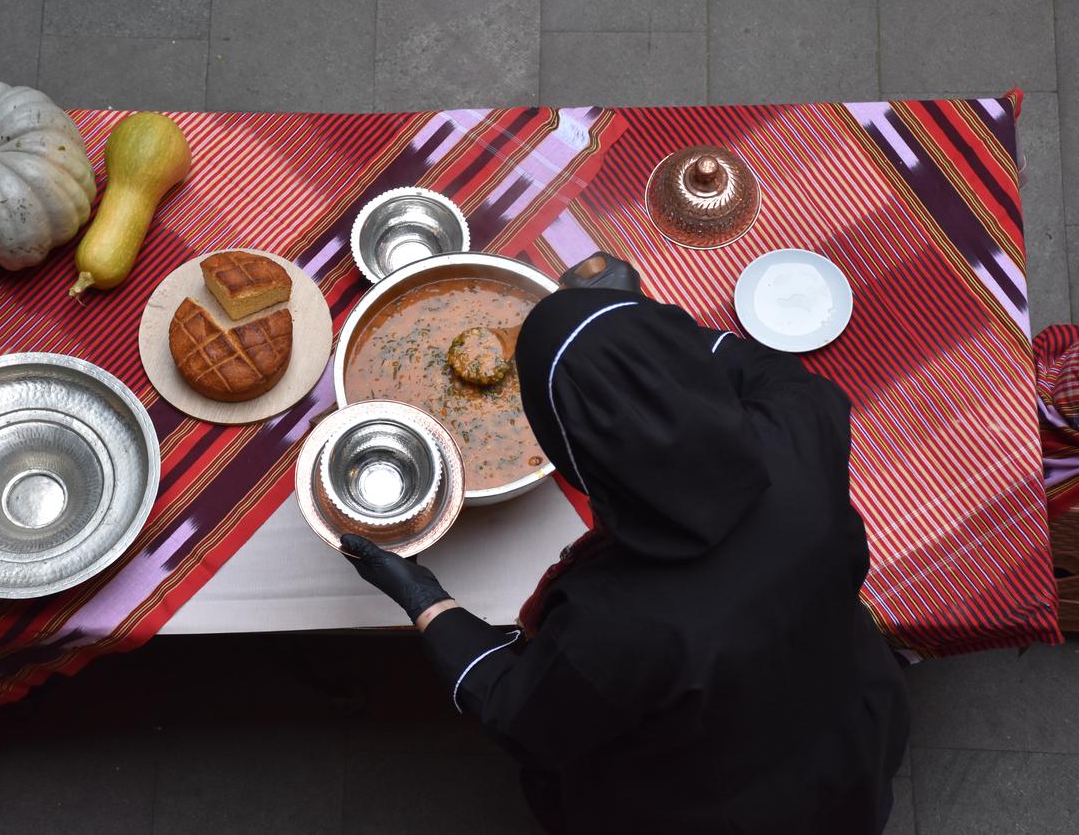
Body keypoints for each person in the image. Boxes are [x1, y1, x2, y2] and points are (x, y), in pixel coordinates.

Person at [340, 288, 909, 835]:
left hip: (730, 810)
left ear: (574, 460)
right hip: (856, 725)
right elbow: (770, 372)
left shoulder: (612, 621)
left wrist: (425, 599)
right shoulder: (798, 431)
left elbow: (518, 712)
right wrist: (637, 336)